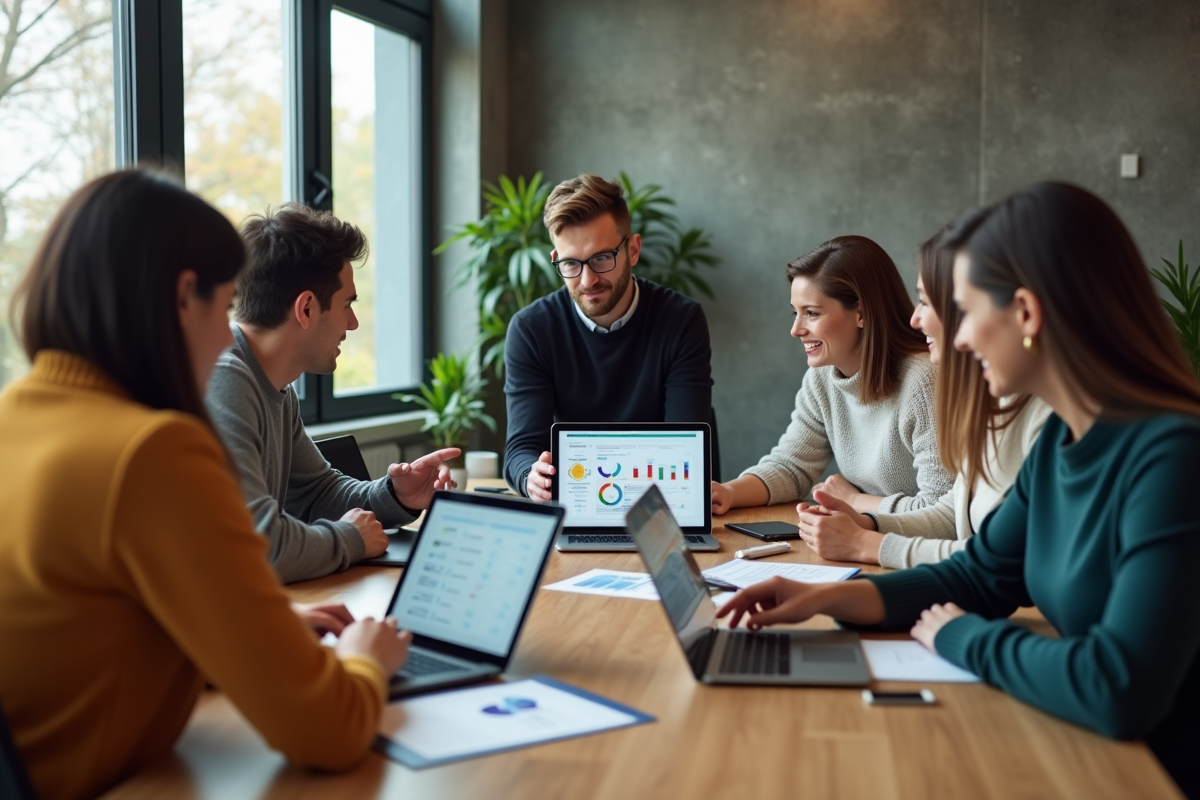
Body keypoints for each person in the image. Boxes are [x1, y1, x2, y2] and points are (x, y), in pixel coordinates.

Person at [717, 182, 1200, 798]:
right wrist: (820, 602)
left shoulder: (1172, 458)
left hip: (1149, 772)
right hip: (1082, 742)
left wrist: (961, 636)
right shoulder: (1066, 443)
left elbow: (1117, 686)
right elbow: (979, 577)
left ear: (1026, 314)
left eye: (966, 311)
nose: (957, 339)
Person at [0, 170, 411, 800]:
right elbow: (329, 730)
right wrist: (365, 658)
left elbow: (90, 625)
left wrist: (254, 628)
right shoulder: (152, 450)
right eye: (224, 309)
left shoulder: (15, 416)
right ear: (183, 298)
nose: (228, 337)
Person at [205, 203, 457, 583]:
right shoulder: (223, 380)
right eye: (348, 304)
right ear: (306, 308)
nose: (353, 323)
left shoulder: (275, 386)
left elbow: (317, 494)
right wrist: (349, 539)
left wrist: (396, 495)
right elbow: (255, 546)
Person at [794, 226, 1050, 566]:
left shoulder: (1050, 416)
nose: (915, 319)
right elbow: (952, 515)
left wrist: (864, 540)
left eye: (927, 302)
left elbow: (1004, 562)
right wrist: (866, 524)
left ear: (1023, 312)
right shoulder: (996, 400)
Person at [711, 235, 953, 517]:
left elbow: (941, 510)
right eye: (795, 313)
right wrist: (727, 492)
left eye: (811, 313)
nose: (796, 329)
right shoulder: (823, 378)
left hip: (911, 551)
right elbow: (792, 466)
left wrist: (855, 502)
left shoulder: (924, 382)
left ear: (861, 314)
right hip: (863, 542)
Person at [504, 174, 712, 501]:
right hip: (580, 503)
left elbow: (682, 448)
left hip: (664, 504)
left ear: (632, 249)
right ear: (556, 261)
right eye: (572, 263)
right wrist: (532, 476)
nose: (588, 280)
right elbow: (521, 449)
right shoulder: (531, 330)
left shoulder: (681, 320)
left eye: (602, 258)